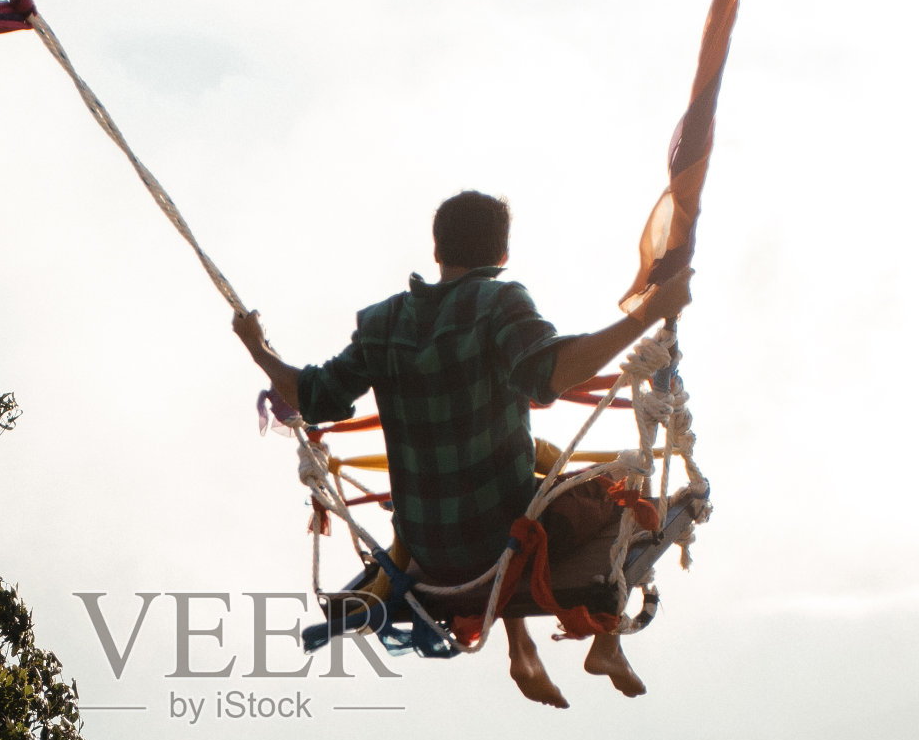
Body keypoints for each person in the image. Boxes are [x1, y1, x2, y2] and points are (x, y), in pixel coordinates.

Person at [233, 190, 692, 708]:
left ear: (437, 251)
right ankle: (606, 640)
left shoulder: (382, 323)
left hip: (429, 547)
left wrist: (259, 349)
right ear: (502, 255)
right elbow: (550, 374)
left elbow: (314, 396)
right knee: (620, 492)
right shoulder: (498, 303)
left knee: (510, 490)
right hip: (498, 542)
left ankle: (522, 649)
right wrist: (647, 315)